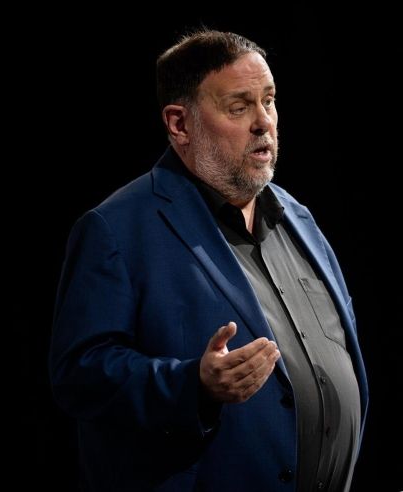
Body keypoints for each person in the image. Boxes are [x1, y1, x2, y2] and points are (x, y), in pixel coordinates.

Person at [50, 29, 368, 492]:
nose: (264, 122)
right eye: (239, 107)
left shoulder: (298, 219)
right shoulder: (117, 229)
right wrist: (192, 384)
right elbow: (80, 375)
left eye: (269, 101)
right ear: (179, 124)